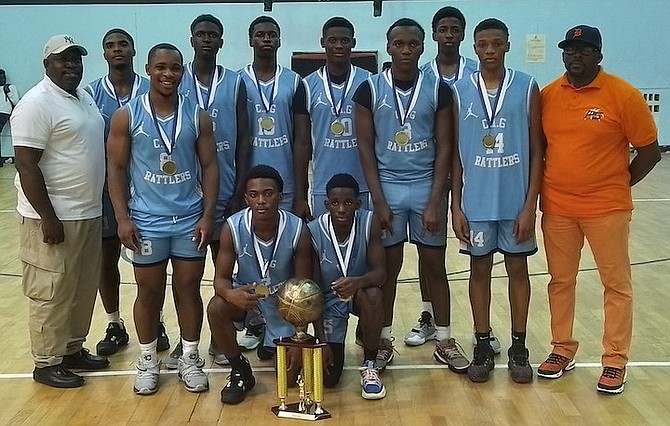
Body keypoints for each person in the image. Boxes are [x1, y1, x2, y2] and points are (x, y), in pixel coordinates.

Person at [538, 25, 660, 394]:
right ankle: (562, 349)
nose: (576, 56)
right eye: (570, 50)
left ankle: (615, 360)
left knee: (616, 285)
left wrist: (617, 184)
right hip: (558, 207)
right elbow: (541, 148)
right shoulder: (547, 96)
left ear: (599, 55)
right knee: (561, 282)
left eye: (585, 50)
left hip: (607, 209)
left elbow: (651, 152)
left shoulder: (623, 95)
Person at [354, 18, 469, 372]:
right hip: (386, 185)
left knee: (434, 266)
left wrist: (436, 201)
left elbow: (446, 147)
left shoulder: (439, 90)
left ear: (423, 47)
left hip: (424, 188)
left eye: (413, 45)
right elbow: (365, 148)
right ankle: (383, 339)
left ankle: (445, 339)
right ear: (388, 47)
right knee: (386, 270)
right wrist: (379, 201)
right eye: (399, 44)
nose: (406, 50)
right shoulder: (369, 89)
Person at [107, 43, 219, 395]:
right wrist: (123, 218)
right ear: (148, 69)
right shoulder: (127, 115)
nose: (168, 74)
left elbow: (210, 166)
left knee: (188, 289)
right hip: (146, 221)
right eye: (161, 67)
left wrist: (207, 215)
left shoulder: (197, 115)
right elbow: (117, 168)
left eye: (174, 68)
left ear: (182, 71)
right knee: (148, 291)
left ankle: (189, 357)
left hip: (188, 218)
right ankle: (147, 360)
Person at [12, 34, 109, 388]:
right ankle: (46, 361)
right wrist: (48, 218)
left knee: (81, 288)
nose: (71, 65)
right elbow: (26, 165)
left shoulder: (82, 98)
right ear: (46, 64)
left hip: (87, 212)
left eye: (75, 59)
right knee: (50, 291)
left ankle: (71, 349)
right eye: (62, 59)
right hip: (52, 218)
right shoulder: (36, 103)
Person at [451, 18, 543, 383]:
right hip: (476, 204)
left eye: (496, 44)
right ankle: (482, 343)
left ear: (507, 45)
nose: (489, 51)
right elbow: (455, 155)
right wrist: (456, 206)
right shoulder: (459, 90)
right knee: (479, 272)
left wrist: (529, 205)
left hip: (514, 202)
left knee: (518, 271)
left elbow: (538, 150)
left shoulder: (527, 86)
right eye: (483, 44)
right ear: (474, 48)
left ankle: (519, 347)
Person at [405, 6, 501, 353]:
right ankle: (430, 316)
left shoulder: (478, 73)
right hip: (428, 171)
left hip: (471, 171)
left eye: (454, 29)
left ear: (463, 35)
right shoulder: (421, 74)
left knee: (479, 254)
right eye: (442, 29)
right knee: (428, 249)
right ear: (434, 35)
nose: (448, 34)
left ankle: (482, 328)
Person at [166, 14, 250, 369]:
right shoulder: (173, 79)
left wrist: (240, 188)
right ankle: (187, 343)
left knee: (227, 272)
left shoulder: (235, 82)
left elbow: (246, 137)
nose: (206, 40)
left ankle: (221, 339)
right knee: (187, 279)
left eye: (212, 35)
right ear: (191, 38)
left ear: (221, 41)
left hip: (227, 188)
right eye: (200, 34)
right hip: (184, 195)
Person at [84, 28, 168, 357]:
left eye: (123, 44)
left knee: (153, 263)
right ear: (103, 53)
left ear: (135, 51)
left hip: (151, 190)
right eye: (110, 45)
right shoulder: (91, 94)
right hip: (110, 191)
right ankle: (114, 323)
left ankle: (157, 322)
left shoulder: (154, 88)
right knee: (107, 259)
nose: (117, 49)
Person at [207, 164, 313, 404]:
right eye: (254, 195)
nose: (261, 201)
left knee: (287, 379)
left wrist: (300, 337)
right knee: (216, 306)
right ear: (246, 199)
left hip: (283, 304)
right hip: (248, 299)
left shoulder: (297, 229)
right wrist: (230, 294)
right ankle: (239, 369)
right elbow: (220, 279)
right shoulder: (232, 227)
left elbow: (303, 289)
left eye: (268, 194)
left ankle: (272, 339)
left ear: (280, 196)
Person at [308, 173, 386, 400]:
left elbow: (380, 273)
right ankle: (332, 341)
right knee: (329, 380)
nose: (341, 209)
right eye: (335, 203)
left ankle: (370, 364)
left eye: (348, 203)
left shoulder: (369, 222)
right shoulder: (313, 231)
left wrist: (357, 282)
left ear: (358, 204)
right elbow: (311, 291)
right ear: (326, 205)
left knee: (373, 295)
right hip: (328, 302)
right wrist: (321, 341)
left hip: (359, 293)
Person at [240, 16, 311, 219]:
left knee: (287, 241)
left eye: (272, 35)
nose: (266, 39)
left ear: (279, 41)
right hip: (249, 182)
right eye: (260, 35)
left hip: (285, 181)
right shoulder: (238, 81)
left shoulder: (295, 81)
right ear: (250, 40)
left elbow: (302, 142)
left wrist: (301, 194)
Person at [301, 17, 371, 217]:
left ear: (353, 43)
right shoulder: (307, 85)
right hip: (323, 184)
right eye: (332, 40)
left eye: (345, 40)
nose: (339, 45)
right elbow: (303, 143)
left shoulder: (369, 82)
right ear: (323, 42)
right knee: (323, 244)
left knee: (362, 243)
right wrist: (301, 193)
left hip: (363, 184)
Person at [0, 68, 20, 166]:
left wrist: (8, 92)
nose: (2, 80)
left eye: (3, 77)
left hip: (5, 112)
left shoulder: (11, 87)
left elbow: (16, 102)